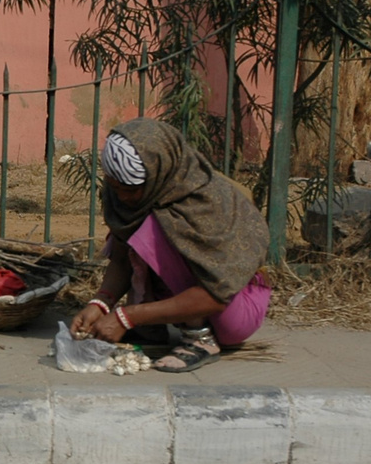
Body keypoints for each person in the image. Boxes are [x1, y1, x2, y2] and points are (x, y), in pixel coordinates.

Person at [71, 117, 271, 372]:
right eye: (115, 188)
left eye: (131, 190)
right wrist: (100, 303)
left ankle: (201, 339)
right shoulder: (131, 193)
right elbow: (121, 258)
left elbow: (217, 294)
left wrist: (126, 317)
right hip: (180, 298)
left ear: (158, 174)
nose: (122, 197)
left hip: (232, 310)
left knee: (155, 229)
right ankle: (153, 326)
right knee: (146, 226)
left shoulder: (207, 202)